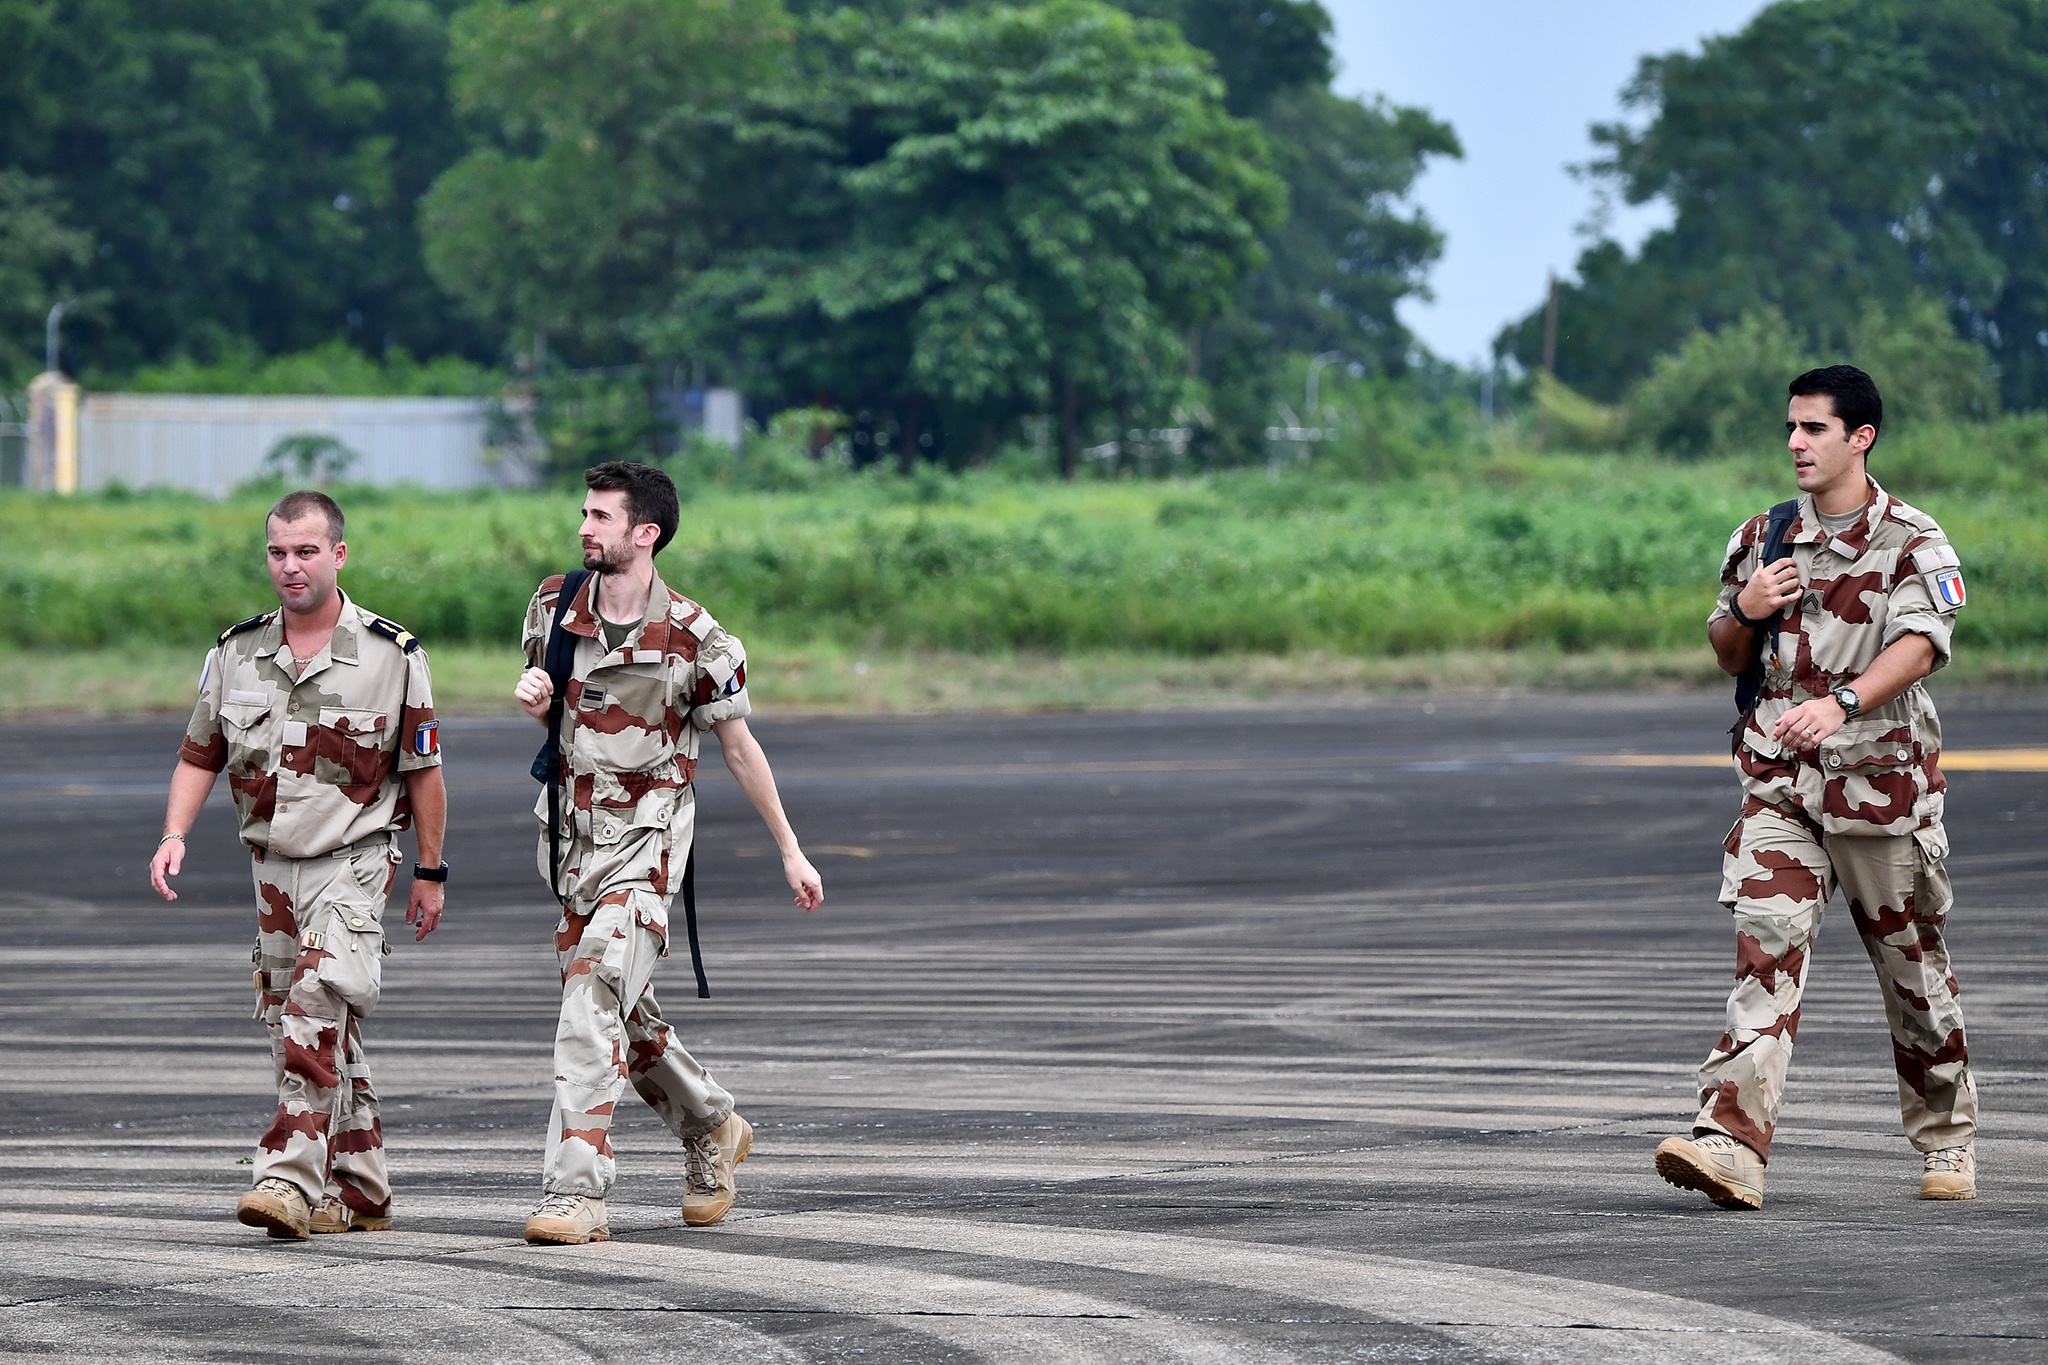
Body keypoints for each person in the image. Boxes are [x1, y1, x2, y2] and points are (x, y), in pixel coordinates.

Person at [1655, 365, 1977, 1210]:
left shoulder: (1912, 540)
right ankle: (1731, 1144)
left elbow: (1922, 646)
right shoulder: (1763, 536)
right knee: (1766, 949)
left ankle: (1947, 1139)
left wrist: (1842, 702)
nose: (1796, 443)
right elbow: (1727, 649)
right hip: (1782, 791)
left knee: (1914, 977)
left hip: (1882, 795)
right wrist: (1748, 607)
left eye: (1815, 429)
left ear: (1860, 436)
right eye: (1791, 428)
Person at [513, 460, 823, 1246]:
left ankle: (575, 1192)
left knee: (590, 1002)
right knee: (628, 1016)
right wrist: (536, 700)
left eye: (602, 516)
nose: (585, 526)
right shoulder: (553, 606)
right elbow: (557, 721)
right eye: (584, 512)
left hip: (648, 848)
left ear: (644, 533)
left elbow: (741, 750)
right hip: (572, 847)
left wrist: (791, 848)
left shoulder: (697, 637)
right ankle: (713, 1125)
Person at [149, 489, 448, 1239]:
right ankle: (364, 1188)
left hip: (355, 857)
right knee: (316, 1025)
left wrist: (430, 870)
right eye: (279, 552)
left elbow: (423, 774)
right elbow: (200, 755)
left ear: (338, 555)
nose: (291, 566)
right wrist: (173, 833)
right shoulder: (235, 651)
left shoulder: (393, 655)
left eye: (306, 551)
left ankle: (285, 1177)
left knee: (315, 1005)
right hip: (272, 867)